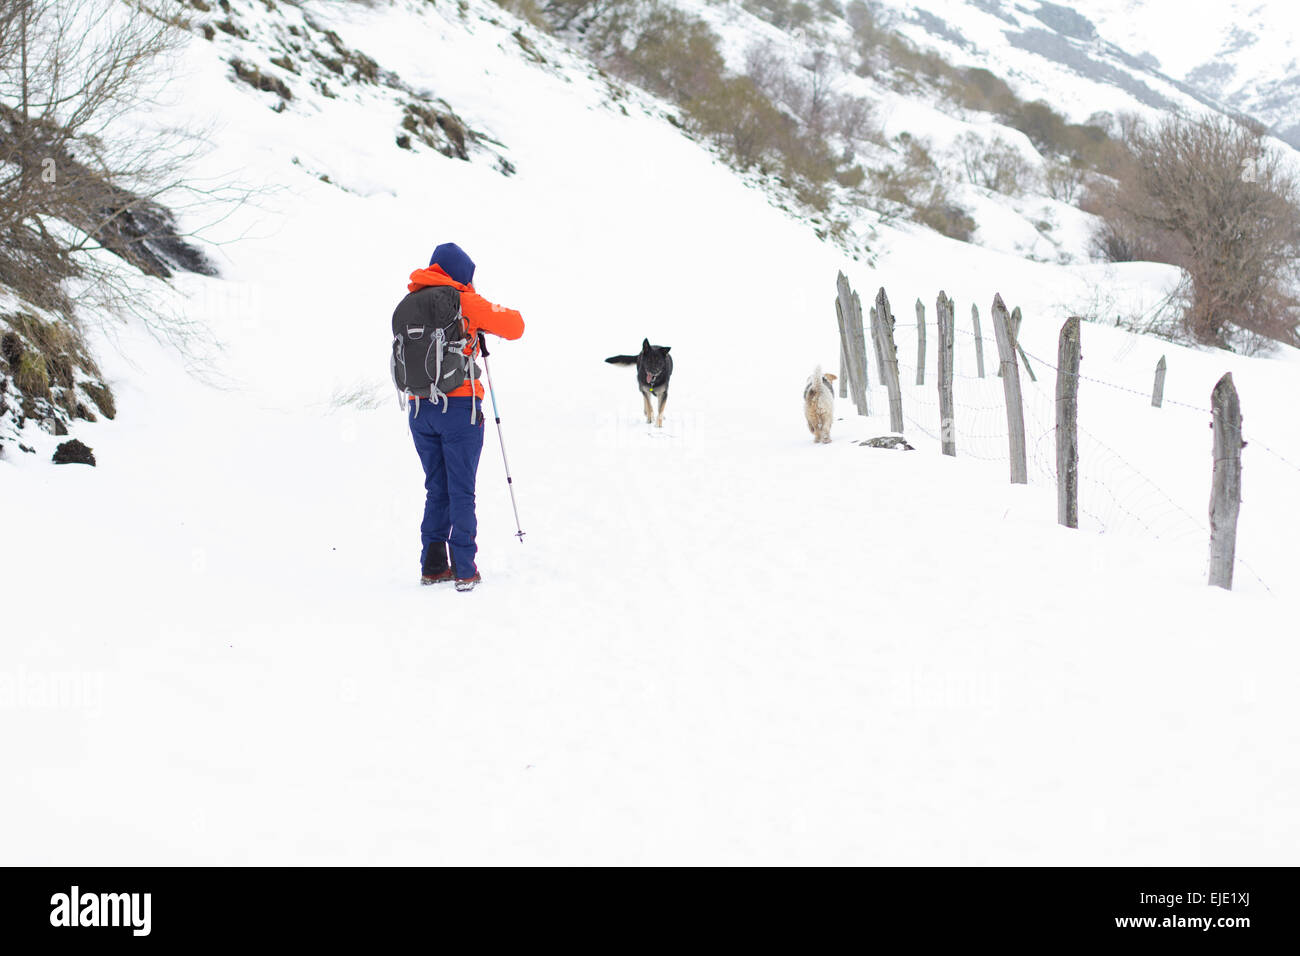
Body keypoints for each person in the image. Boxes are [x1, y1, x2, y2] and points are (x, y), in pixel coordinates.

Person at [398, 243, 524, 591]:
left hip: (419, 409)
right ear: (461, 275)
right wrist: (474, 302)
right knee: (462, 490)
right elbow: (515, 325)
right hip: (459, 409)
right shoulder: (463, 301)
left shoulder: (408, 304)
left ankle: (433, 565)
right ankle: (466, 569)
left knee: (436, 487)